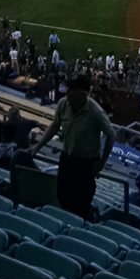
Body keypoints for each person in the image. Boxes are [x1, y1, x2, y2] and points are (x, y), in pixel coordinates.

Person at [31, 74, 116, 220]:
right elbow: (55, 126)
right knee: (62, 195)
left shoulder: (95, 112)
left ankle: (84, 222)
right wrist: (37, 147)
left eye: (71, 90)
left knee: (81, 202)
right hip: (67, 158)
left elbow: (111, 135)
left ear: (82, 93)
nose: (67, 93)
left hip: (86, 163)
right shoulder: (64, 104)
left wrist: (101, 164)